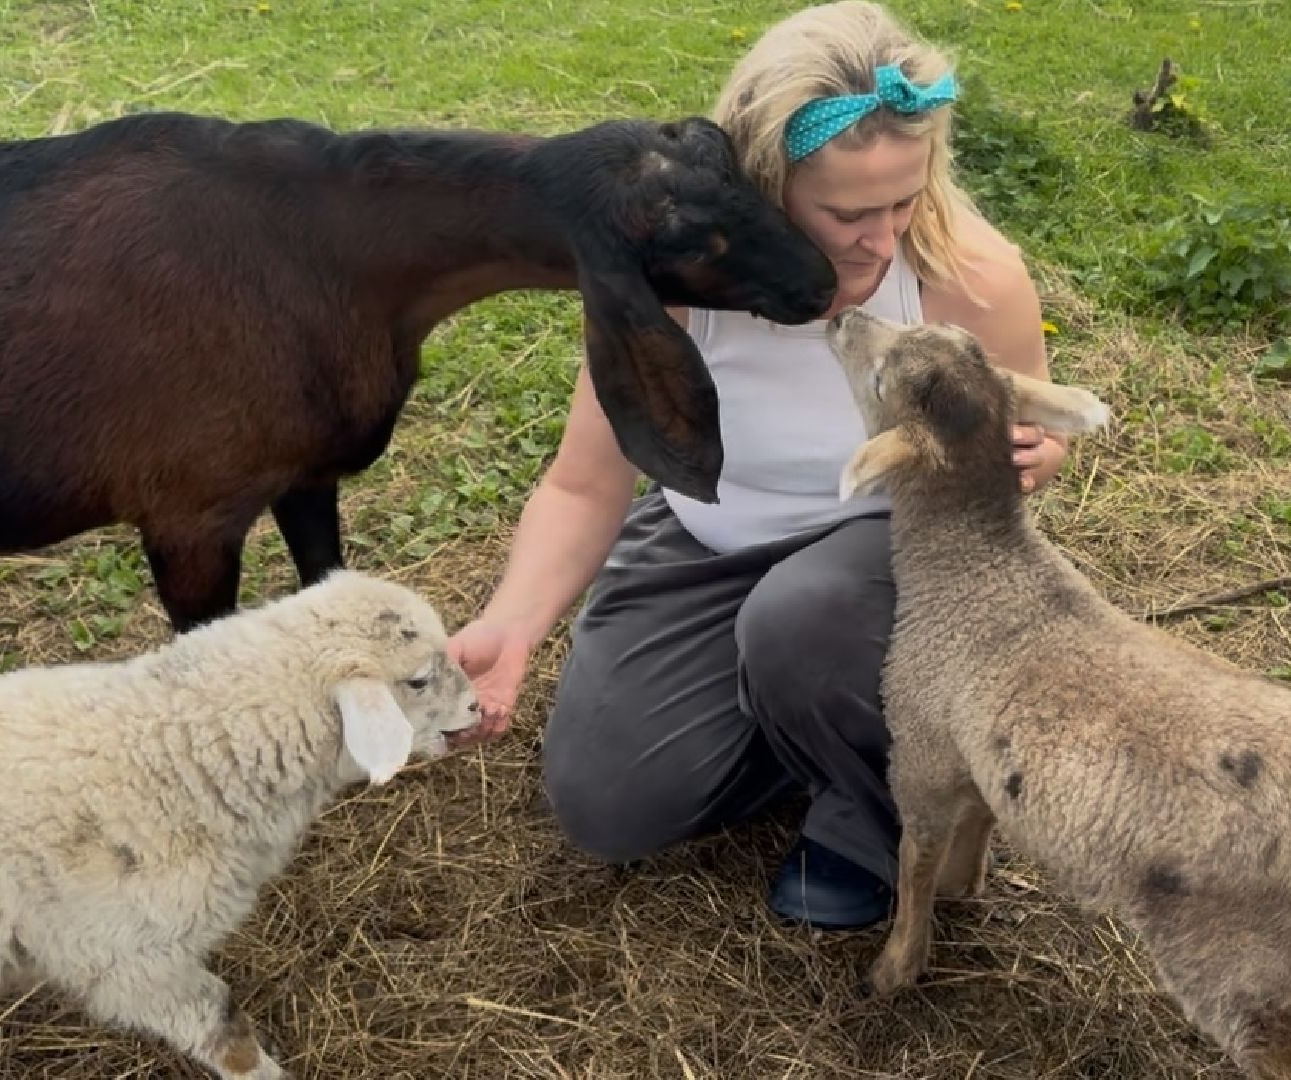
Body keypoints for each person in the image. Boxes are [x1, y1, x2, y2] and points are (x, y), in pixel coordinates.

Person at [445, 0, 1068, 931]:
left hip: (888, 554)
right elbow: (587, 482)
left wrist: (1036, 455)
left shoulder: (970, 277)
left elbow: (1018, 454)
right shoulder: (679, 285)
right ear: (764, 184)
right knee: (609, 807)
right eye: (847, 212)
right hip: (709, 535)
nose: (882, 238)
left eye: (905, 200)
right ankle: (803, 712)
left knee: (801, 617)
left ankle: (875, 813)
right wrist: (512, 622)